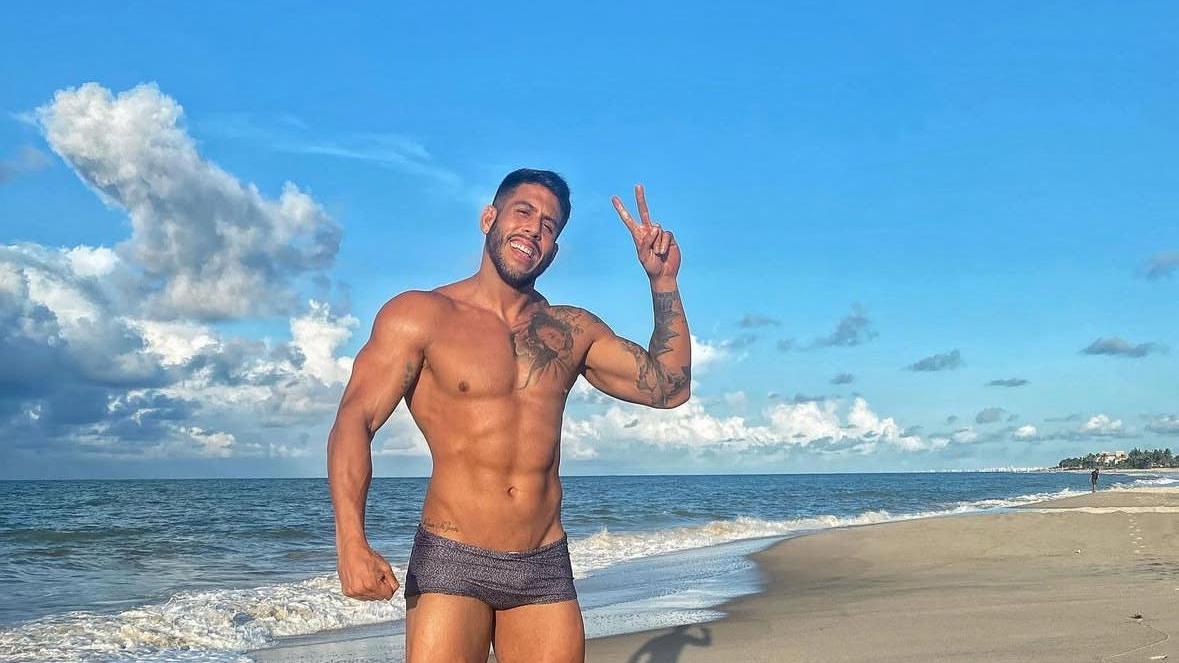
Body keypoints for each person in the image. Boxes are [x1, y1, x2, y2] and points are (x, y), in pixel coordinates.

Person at [327, 169, 691, 663]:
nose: (534, 229)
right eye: (524, 212)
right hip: (453, 558)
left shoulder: (571, 330)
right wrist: (352, 542)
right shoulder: (421, 315)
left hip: (543, 563)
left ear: (553, 251)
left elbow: (670, 388)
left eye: (548, 225)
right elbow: (355, 420)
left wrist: (663, 282)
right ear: (489, 218)